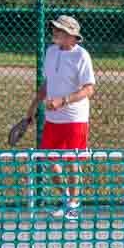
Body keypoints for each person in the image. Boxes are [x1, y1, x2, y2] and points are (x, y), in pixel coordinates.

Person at [25, 15, 96, 221]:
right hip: (52, 118)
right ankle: (66, 199)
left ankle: (74, 204)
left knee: (72, 161)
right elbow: (47, 84)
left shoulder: (82, 56)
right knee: (50, 159)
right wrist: (31, 110)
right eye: (55, 29)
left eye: (60, 30)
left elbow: (89, 89)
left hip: (75, 118)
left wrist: (63, 101)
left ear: (72, 36)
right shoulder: (50, 52)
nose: (55, 32)